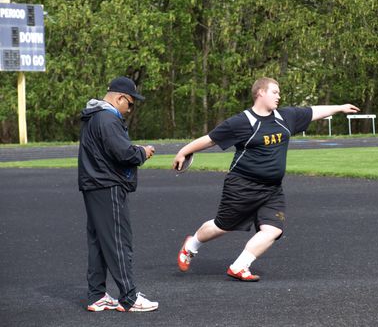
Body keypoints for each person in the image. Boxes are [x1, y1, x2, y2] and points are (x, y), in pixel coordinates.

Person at [173, 77, 359, 281]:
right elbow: (210, 140)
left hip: (272, 189)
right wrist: (183, 151)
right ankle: (192, 245)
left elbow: (313, 111)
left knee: (273, 229)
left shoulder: (285, 117)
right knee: (222, 226)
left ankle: (239, 266)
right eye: (275, 92)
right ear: (260, 92)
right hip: (242, 185)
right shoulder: (242, 121)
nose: (279, 96)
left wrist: (340, 107)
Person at [78, 76, 159, 312]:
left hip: (94, 185)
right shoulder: (107, 118)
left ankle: (97, 295)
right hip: (107, 185)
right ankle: (129, 297)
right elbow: (123, 154)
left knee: (99, 243)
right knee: (118, 241)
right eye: (130, 103)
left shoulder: (93, 116)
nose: (130, 109)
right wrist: (143, 152)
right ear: (120, 97)